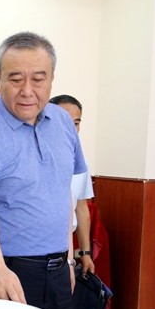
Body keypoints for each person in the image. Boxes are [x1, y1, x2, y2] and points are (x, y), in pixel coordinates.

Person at [0, 31, 87, 309]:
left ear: (52, 79)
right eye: (16, 79)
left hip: (57, 272)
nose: (27, 90)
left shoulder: (63, 122)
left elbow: (62, 194)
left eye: (38, 79)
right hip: (3, 271)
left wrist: (68, 260)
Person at [49, 94, 95, 274]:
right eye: (65, 121)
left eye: (76, 123)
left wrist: (85, 253)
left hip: (65, 249)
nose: (72, 129)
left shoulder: (81, 162)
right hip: (35, 249)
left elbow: (81, 208)